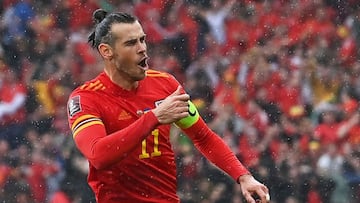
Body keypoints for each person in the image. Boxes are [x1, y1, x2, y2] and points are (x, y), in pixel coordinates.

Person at [66, 9, 270, 203]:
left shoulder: (166, 85)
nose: (142, 48)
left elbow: (203, 137)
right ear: (107, 51)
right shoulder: (85, 99)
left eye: (142, 39)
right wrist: (154, 117)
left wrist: (243, 176)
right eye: (130, 43)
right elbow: (98, 155)